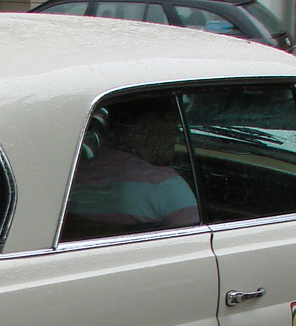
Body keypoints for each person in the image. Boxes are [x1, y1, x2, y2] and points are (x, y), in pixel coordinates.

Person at [62, 98, 199, 237]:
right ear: (148, 126)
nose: (177, 134)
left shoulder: (70, 177)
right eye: (173, 124)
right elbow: (195, 246)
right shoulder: (165, 186)